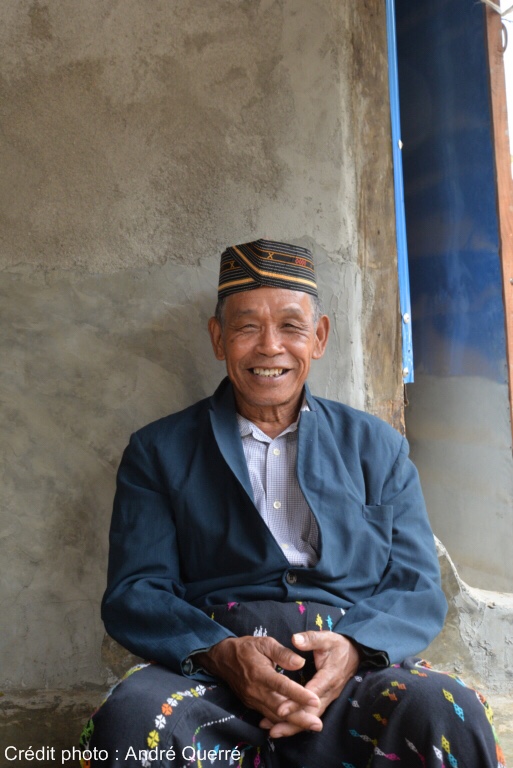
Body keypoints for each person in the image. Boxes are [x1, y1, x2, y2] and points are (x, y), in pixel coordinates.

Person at [81, 239, 505, 768]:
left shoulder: (377, 447)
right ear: (218, 338)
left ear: (319, 337)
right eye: (246, 327)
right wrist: (221, 652)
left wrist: (353, 648)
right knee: (129, 722)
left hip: (354, 672)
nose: (269, 347)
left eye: (290, 326)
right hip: (212, 671)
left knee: (446, 712)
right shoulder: (158, 451)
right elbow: (137, 590)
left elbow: (416, 586)